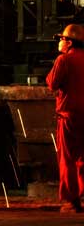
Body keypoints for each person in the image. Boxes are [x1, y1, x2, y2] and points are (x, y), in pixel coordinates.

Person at [46, 24, 84, 213]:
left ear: (69, 42)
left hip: (69, 117)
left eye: (61, 39)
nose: (59, 42)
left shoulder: (64, 60)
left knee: (68, 159)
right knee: (83, 159)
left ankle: (72, 201)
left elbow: (52, 83)